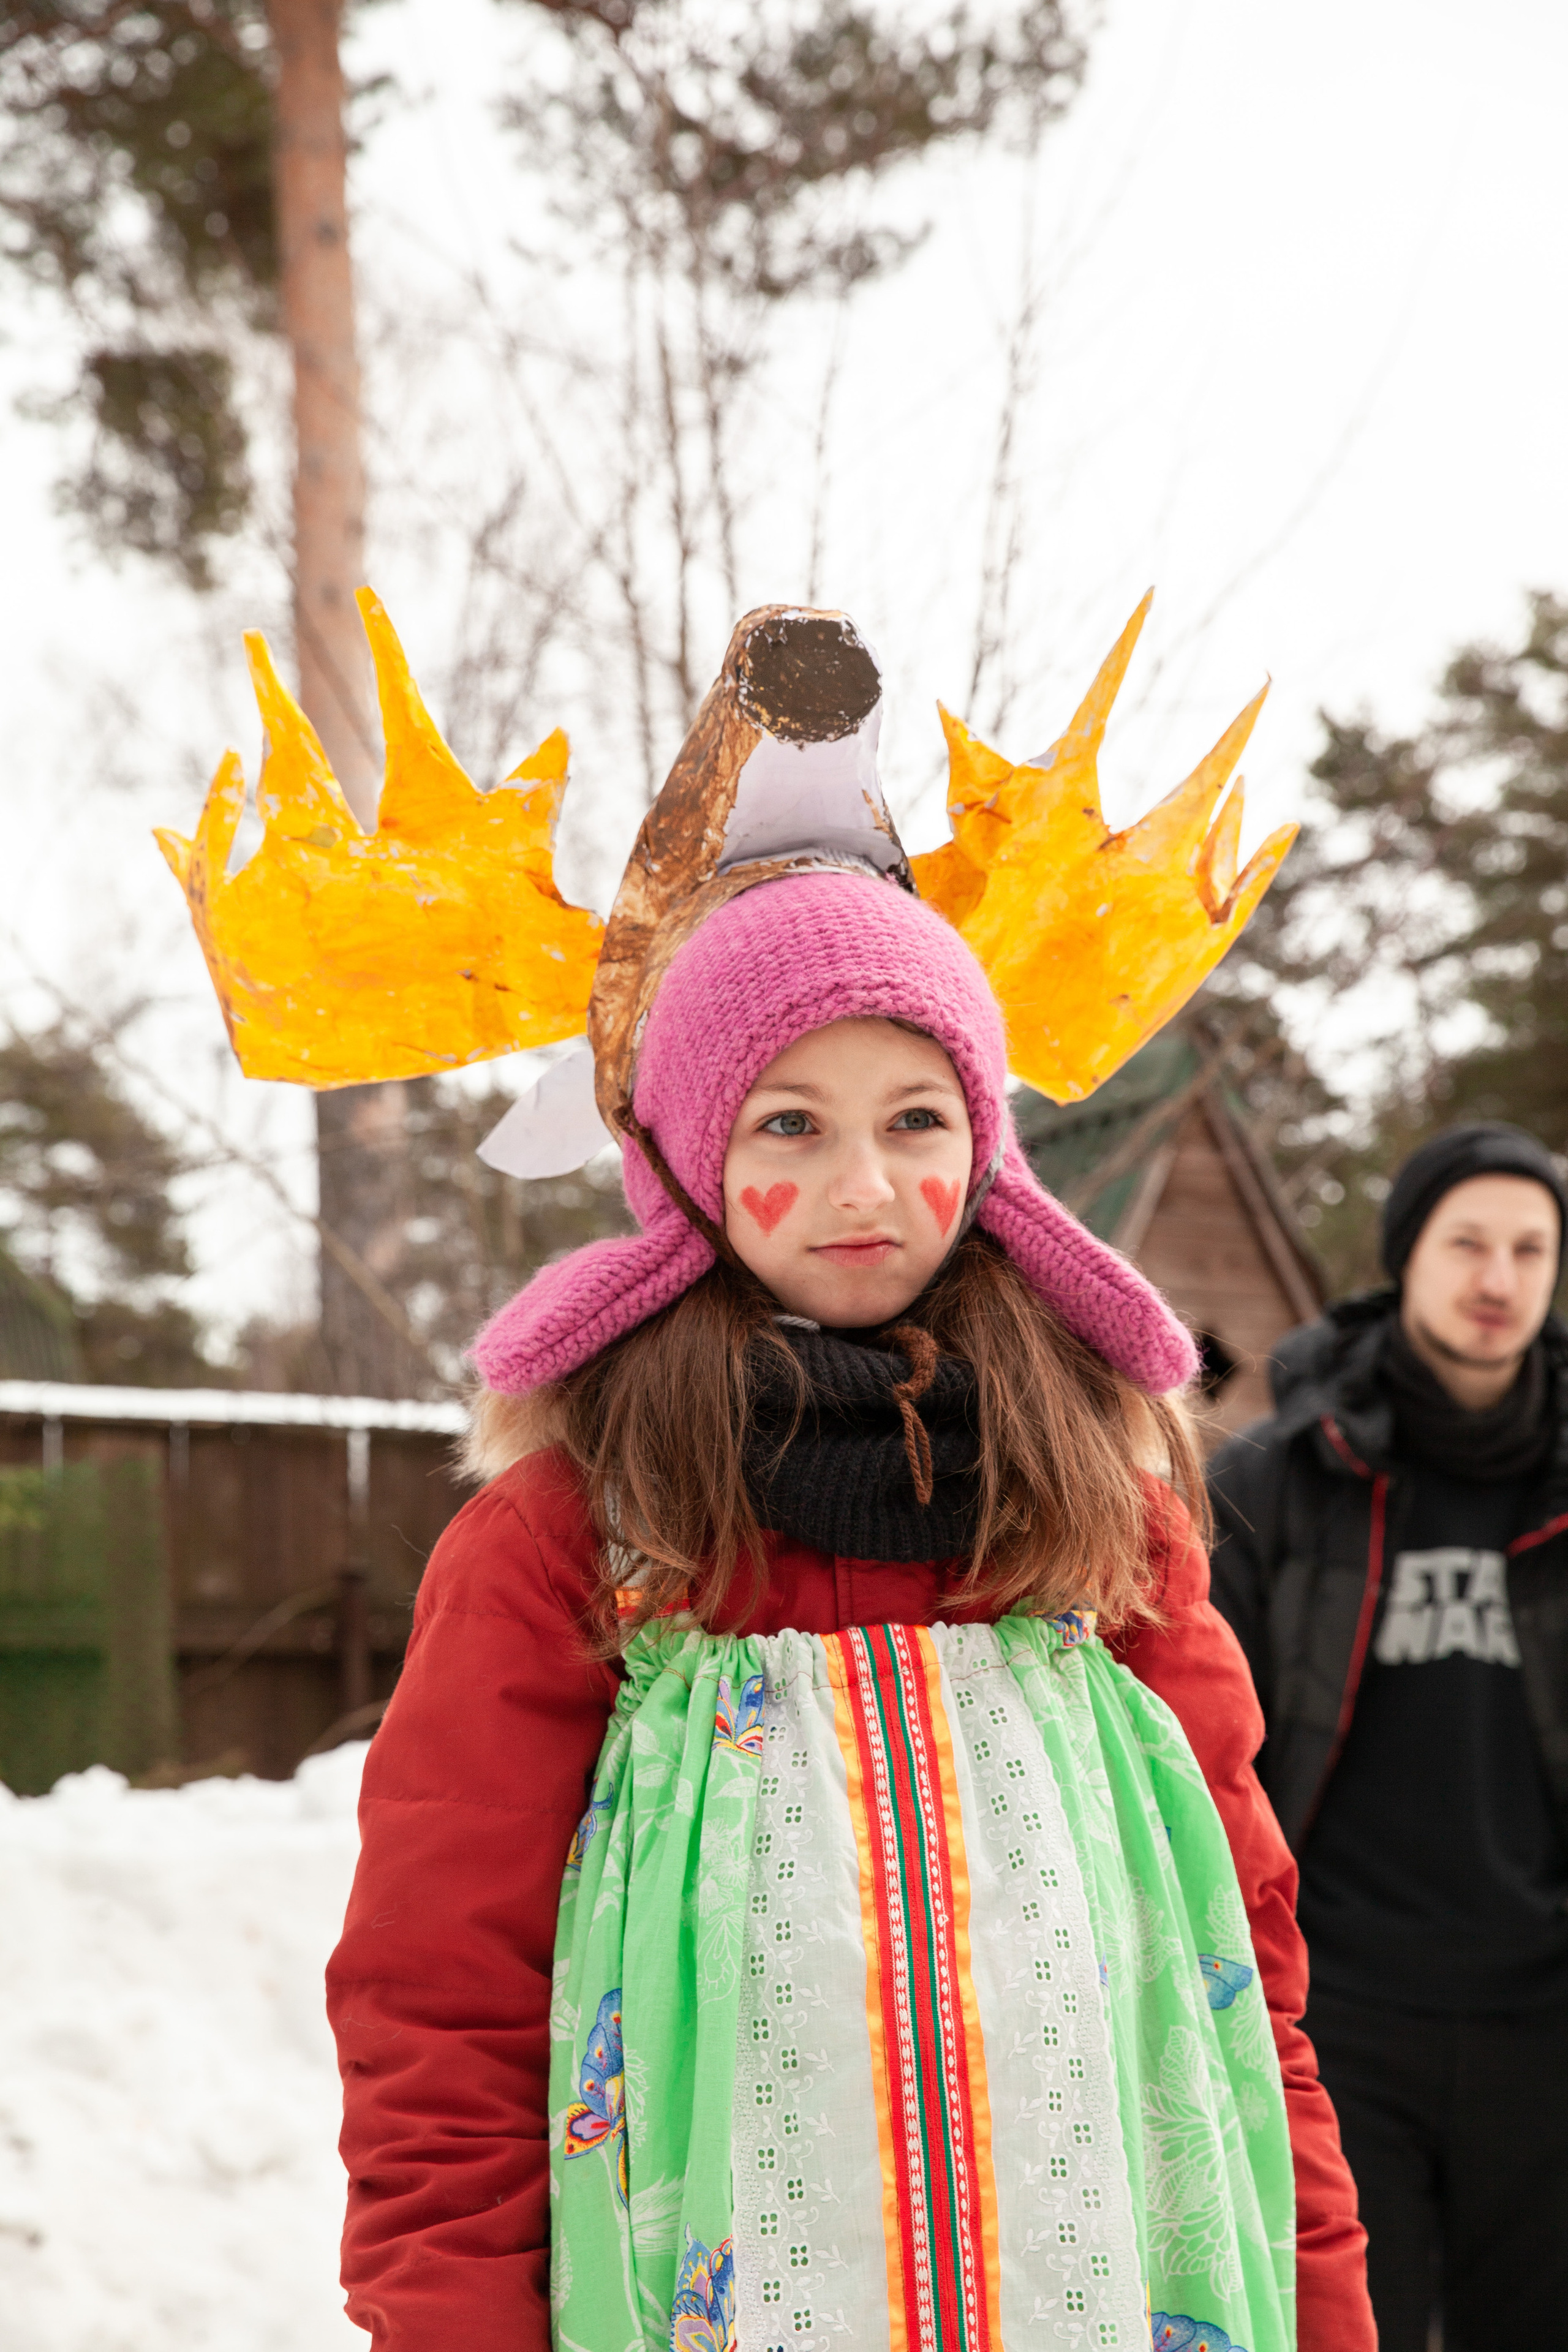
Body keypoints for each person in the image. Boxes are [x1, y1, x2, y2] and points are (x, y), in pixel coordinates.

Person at [327, 858, 1372, 2352]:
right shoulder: (574, 1540)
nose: (862, 1186)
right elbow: (442, 2010)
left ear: (986, 1147)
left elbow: (1243, 1971)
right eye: (790, 1126)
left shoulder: (1094, 1515)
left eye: (913, 1121)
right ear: (692, 1159)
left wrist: (1325, 2310)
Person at [1208, 1121, 1568, 2352]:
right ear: (1406, 1256)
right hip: (1343, 2018)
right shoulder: (1278, 1479)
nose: (1496, 1279)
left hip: (1541, 2020)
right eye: (1466, 1243)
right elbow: (1208, 1751)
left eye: (1529, 1250)